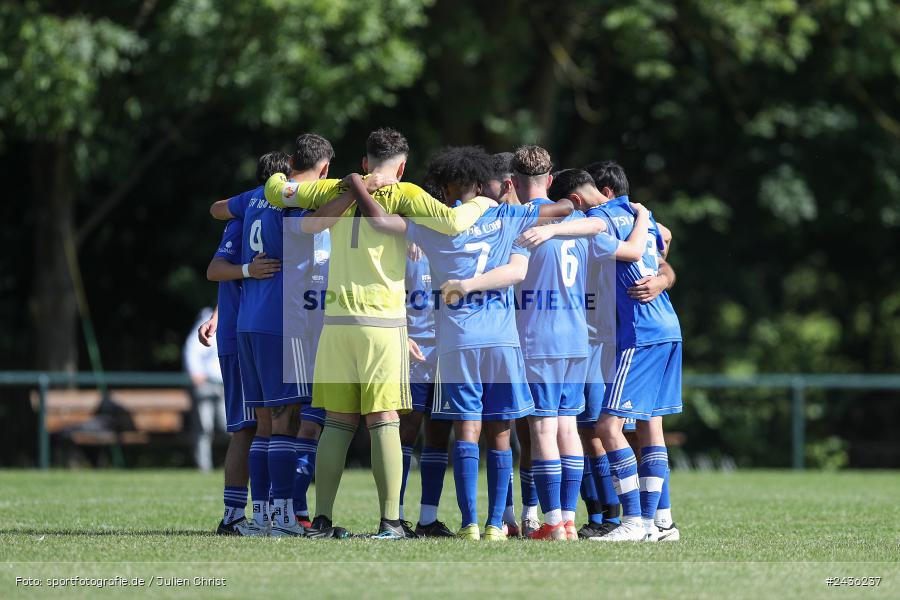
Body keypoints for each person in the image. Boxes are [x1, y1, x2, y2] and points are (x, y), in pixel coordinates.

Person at [264, 128, 495, 539]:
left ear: (366, 162)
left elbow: (275, 190)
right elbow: (456, 223)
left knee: (337, 422)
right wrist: (481, 200)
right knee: (385, 420)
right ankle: (390, 521)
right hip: (383, 323)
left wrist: (354, 183)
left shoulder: (334, 188)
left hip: (336, 322)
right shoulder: (405, 193)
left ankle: (322, 520)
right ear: (402, 166)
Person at [361, 145, 573, 540]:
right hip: (502, 339)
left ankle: (470, 524)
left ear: (447, 188)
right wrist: (550, 222)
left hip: (457, 340)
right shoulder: (505, 215)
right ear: (482, 182)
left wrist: (364, 186)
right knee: (501, 433)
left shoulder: (433, 226)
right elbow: (562, 207)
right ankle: (497, 523)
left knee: (466, 431)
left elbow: (378, 222)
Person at [210, 138, 356, 537]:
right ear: (325, 170)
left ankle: (263, 518)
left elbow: (218, 208)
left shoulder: (257, 197)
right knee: (285, 419)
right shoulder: (295, 203)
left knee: (264, 424)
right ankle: (281, 517)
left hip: (249, 323)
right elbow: (318, 222)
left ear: (289, 163)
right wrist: (356, 190)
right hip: (283, 321)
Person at [583, 160, 682, 542]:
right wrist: (663, 276)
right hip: (645, 332)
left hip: (629, 336)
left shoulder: (611, 222)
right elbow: (665, 239)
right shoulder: (636, 220)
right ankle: (662, 523)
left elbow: (662, 248)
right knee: (647, 424)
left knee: (611, 427)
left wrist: (662, 278)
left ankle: (635, 521)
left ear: (605, 194)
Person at [183, 307, 226, 473]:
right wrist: (195, 374)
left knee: (229, 427)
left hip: (225, 384)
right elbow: (191, 350)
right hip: (207, 384)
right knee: (204, 427)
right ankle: (204, 467)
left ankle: (239, 463)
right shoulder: (208, 322)